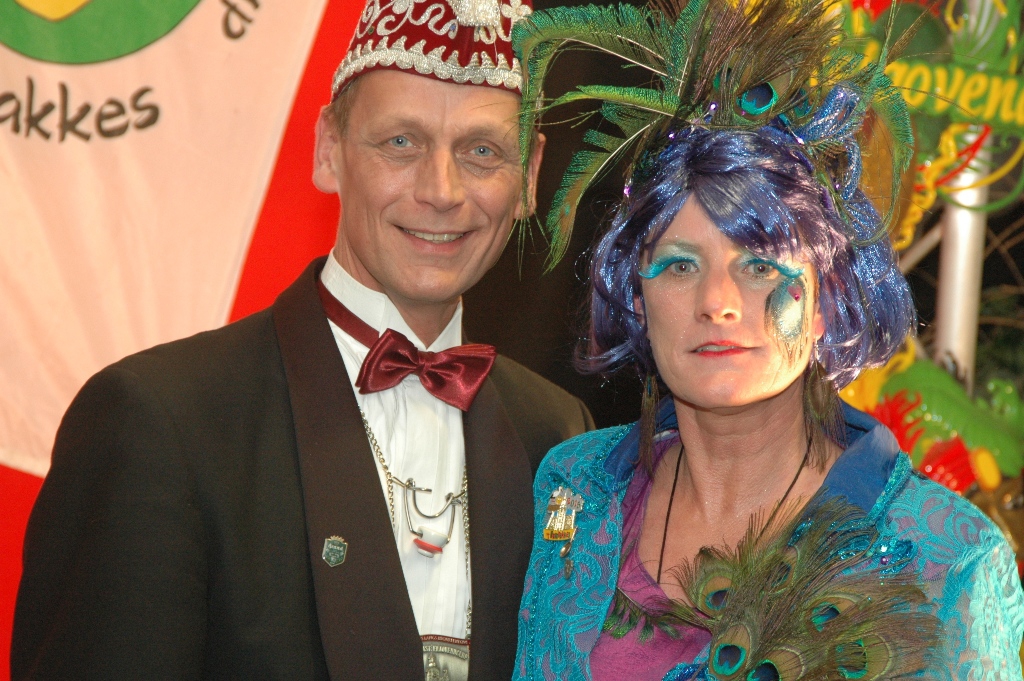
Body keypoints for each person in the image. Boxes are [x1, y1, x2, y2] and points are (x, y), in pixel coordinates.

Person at [12, 0, 594, 679]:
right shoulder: (157, 421)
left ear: (529, 177)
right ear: (328, 150)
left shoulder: (560, 437)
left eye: (482, 151)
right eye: (400, 142)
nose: (441, 190)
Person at [511, 0, 1024, 678]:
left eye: (759, 266)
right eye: (680, 266)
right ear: (637, 297)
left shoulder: (947, 560)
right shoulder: (573, 490)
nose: (717, 303)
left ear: (825, 300)